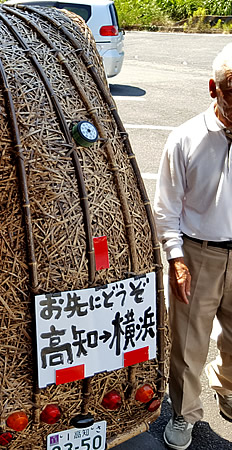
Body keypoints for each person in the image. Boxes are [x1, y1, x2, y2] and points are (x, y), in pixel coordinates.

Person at [154, 43, 232, 450]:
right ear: (212, 88)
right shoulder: (184, 138)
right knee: (188, 340)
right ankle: (184, 414)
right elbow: (166, 209)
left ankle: (227, 386)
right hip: (199, 252)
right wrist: (176, 259)